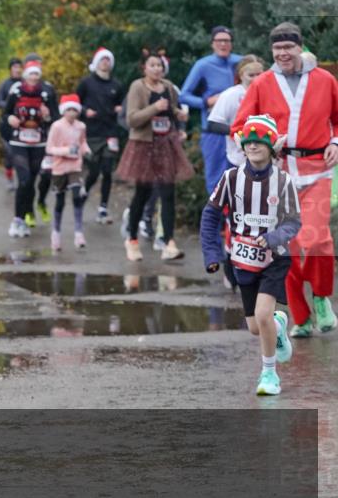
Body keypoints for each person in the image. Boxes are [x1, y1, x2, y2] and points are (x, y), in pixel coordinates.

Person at [233, 22, 338, 338]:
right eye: (277, 49)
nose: (282, 54)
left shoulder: (324, 79)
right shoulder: (262, 83)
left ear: (299, 48)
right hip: (278, 176)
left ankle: (321, 296)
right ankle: (301, 317)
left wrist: (336, 142)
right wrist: (261, 144)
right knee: (285, 249)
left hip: (317, 168)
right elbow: (240, 127)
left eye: (288, 48)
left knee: (316, 240)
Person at [201, 115, 300, 395]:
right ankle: (279, 325)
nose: (254, 146)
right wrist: (212, 253)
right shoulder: (231, 178)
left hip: (275, 257)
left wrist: (273, 238)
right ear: (242, 147)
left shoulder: (283, 181)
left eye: (260, 141)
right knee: (256, 327)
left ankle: (269, 375)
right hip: (242, 260)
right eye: (249, 141)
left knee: (263, 314)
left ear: (271, 147)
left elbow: (293, 222)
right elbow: (209, 216)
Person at [117, 50, 193, 262]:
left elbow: (172, 111)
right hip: (144, 145)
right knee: (142, 193)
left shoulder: (168, 87)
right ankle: (132, 239)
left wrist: (179, 117)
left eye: (159, 65)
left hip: (166, 145)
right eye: (152, 65)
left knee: (168, 193)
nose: (157, 69)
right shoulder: (137, 87)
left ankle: (168, 242)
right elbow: (132, 119)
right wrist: (154, 108)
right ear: (144, 68)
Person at [179, 26, 242, 193]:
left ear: (232, 44)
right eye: (219, 41)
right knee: (217, 182)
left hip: (241, 132)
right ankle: (216, 219)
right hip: (215, 132)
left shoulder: (241, 63)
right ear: (212, 44)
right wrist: (206, 102)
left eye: (227, 41)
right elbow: (183, 96)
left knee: (243, 181)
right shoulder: (203, 65)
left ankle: (237, 219)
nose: (223, 44)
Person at [3, 59, 52, 237]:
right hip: (19, 142)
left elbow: (55, 117)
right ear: (25, 75)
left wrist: (47, 116)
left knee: (31, 181)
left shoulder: (46, 93)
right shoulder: (16, 91)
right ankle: (17, 220)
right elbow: (5, 113)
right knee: (23, 180)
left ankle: (24, 217)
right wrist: (10, 120)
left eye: (36, 74)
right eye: (31, 73)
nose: (33, 77)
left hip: (39, 142)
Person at [76, 47, 123, 224]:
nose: (105, 63)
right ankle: (85, 191)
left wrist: (120, 109)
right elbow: (74, 104)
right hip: (92, 132)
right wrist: (85, 112)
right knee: (94, 171)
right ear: (96, 62)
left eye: (108, 60)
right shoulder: (86, 83)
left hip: (110, 132)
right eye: (102, 60)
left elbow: (122, 105)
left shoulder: (116, 85)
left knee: (107, 170)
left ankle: (103, 207)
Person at [44, 94, 90, 252]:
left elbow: (82, 141)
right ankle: (56, 232)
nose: (71, 113)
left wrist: (86, 150)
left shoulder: (81, 126)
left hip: (75, 166)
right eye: (68, 110)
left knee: (77, 196)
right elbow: (49, 148)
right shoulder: (57, 126)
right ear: (63, 111)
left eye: (74, 110)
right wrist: (66, 150)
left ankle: (78, 233)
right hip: (59, 167)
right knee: (60, 201)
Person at [208, 55, 266, 169]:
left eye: (259, 74)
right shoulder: (230, 95)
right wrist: (242, 134)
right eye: (251, 75)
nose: (255, 79)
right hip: (239, 159)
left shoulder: (270, 92)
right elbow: (213, 124)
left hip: (268, 157)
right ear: (241, 75)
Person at [25, 53, 60, 225]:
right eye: (32, 68)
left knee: (46, 175)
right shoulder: (19, 89)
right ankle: (29, 210)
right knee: (29, 177)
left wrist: (48, 117)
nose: (35, 72)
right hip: (26, 141)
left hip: (45, 139)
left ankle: (41, 202)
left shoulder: (48, 89)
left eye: (38, 67)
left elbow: (57, 114)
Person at [0, 57, 24, 190]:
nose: (17, 70)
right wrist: (11, 105)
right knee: (10, 153)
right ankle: (10, 178)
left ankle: (23, 179)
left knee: (23, 154)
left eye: (19, 67)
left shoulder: (26, 84)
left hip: (24, 124)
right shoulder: (5, 84)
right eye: (14, 67)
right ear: (10, 69)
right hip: (7, 125)